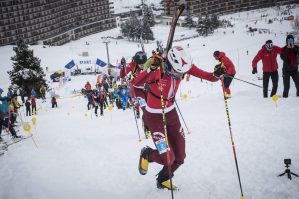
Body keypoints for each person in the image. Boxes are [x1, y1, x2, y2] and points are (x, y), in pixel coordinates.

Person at [136, 46, 224, 190]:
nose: (180, 75)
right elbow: (136, 84)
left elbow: (208, 77)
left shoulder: (183, 65)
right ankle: (147, 154)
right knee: (167, 159)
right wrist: (150, 69)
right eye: (177, 72)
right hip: (154, 117)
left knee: (180, 157)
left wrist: (217, 74)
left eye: (183, 73)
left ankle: (163, 179)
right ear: (169, 64)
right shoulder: (159, 70)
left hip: (171, 114)